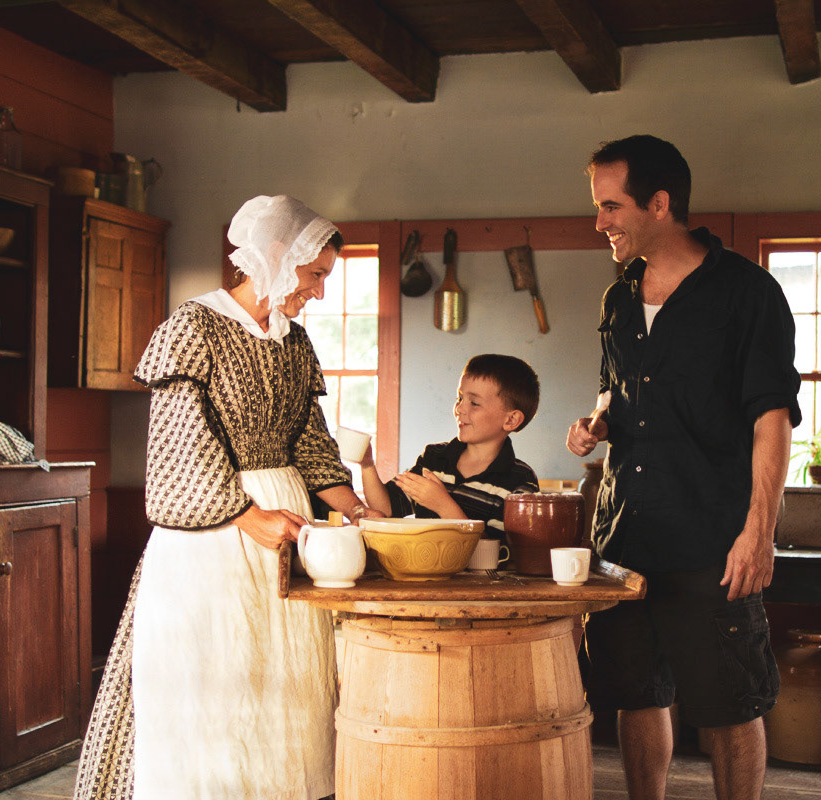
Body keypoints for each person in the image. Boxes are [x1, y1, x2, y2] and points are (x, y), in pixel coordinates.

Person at [73, 194, 383, 800]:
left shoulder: (294, 343)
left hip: (285, 532)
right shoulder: (194, 327)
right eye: (315, 273)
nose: (319, 291)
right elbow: (180, 442)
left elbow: (308, 441)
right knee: (219, 681)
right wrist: (248, 515)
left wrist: (356, 509)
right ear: (277, 253)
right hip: (212, 537)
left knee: (287, 686)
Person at [567, 135, 801, 800]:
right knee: (636, 694)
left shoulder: (747, 294)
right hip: (624, 536)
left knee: (731, 704)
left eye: (611, 206)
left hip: (712, 539)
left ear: (660, 203)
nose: (599, 222)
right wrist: (597, 422)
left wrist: (759, 533)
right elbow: (615, 390)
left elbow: (772, 417)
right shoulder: (618, 299)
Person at [358, 353, 540, 537]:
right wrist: (367, 464)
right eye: (459, 398)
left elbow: (496, 549)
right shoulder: (434, 458)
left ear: (511, 420)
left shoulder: (521, 481)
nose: (459, 408)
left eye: (474, 403)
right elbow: (386, 509)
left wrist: (443, 505)